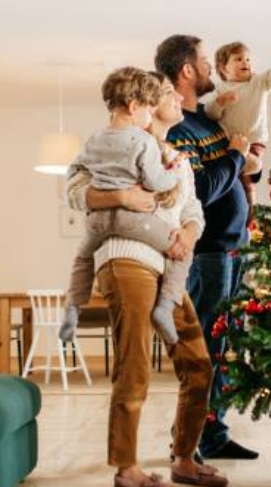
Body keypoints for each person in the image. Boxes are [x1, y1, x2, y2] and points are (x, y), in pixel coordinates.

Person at [68, 69, 228, 487]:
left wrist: (190, 234)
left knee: (198, 364)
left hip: (168, 265)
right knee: (134, 364)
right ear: (147, 104)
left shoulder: (179, 157)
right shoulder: (111, 145)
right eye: (170, 95)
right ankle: (127, 470)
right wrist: (120, 197)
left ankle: (184, 458)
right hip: (126, 259)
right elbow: (74, 191)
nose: (179, 99)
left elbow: (193, 208)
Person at [155, 35, 259, 461]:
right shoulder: (179, 127)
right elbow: (199, 189)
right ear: (186, 71)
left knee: (225, 349)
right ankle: (187, 439)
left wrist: (248, 161)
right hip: (208, 254)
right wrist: (235, 157)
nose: (210, 68)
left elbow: (235, 172)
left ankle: (214, 435)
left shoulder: (210, 122)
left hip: (233, 250)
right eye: (203, 60)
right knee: (203, 353)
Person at [60, 67, 189, 345]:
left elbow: (73, 174)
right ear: (133, 106)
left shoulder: (94, 138)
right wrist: (175, 173)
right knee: (181, 253)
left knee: (82, 259)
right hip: (134, 222)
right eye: (148, 109)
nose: (150, 115)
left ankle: (72, 308)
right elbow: (156, 182)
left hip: (97, 222)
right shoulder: (143, 140)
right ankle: (165, 308)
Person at [205, 36, 271, 212]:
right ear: (223, 68)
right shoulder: (220, 89)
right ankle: (241, 202)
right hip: (229, 143)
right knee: (240, 178)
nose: (246, 62)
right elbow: (211, 114)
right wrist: (221, 101)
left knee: (250, 176)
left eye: (248, 59)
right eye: (238, 59)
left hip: (254, 140)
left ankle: (251, 206)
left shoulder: (258, 82)